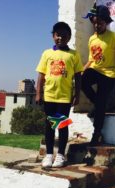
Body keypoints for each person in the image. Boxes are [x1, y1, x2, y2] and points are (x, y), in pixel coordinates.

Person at [82, 5, 115, 145]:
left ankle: (96, 133)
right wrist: (83, 70)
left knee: (101, 101)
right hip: (96, 69)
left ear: (106, 23)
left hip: (110, 74)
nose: (97, 25)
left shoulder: (112, 36)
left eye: (101, 23)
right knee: (83, 82)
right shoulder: (92, 39)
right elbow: (92, 59)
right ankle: (98, 104)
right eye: (95, 23)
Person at [36, 22, 83, 168]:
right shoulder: (47, 53)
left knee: (62, 125)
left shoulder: (73, 55)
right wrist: (38, 93)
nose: (60, 38)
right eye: (57, 35)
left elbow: (78, 76)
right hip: (49, 96)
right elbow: (41, 75)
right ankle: (49, 155)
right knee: (49, 126)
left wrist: (77, 94)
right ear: (53, 36)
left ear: (69, 37)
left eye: (64, 35)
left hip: (64, 97)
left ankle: (61, 155)